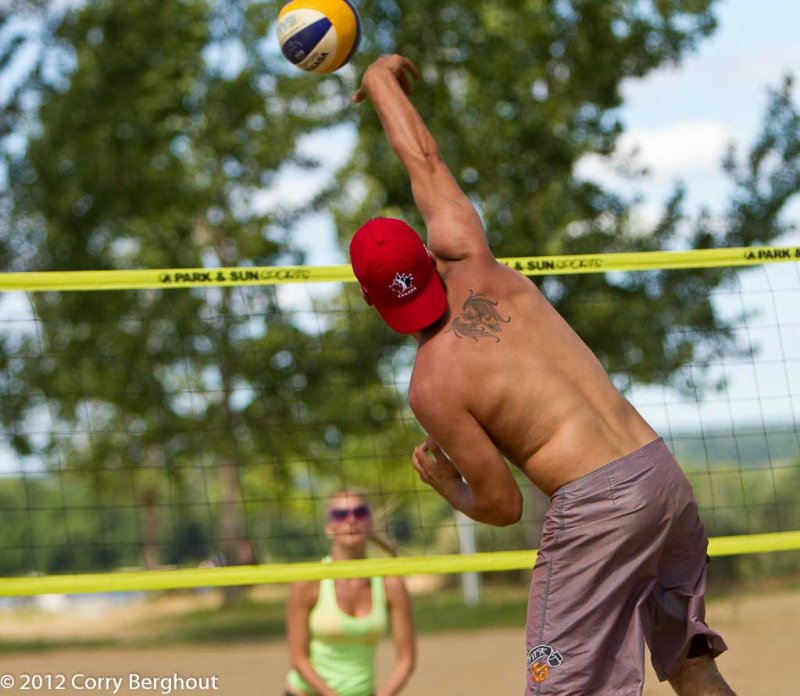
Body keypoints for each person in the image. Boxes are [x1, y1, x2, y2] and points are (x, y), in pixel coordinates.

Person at [349, 54, 735, 696]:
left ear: (372, 301)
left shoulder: (432, 385)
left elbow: (503, 505)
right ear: (424, 251)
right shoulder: (469, 251)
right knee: (690, 664)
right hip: (661, 476)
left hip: (598, 508)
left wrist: (451, 489)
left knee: (559, 689)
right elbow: (423, 158)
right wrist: (380, 81)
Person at [285, 490, 416, 696]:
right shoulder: (308, 582)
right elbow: (298, 659)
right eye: (340, 515)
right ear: (329, 527)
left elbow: (406, 660)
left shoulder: (390, 583)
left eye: (360, 512)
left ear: (369, 523)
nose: (352, 519)